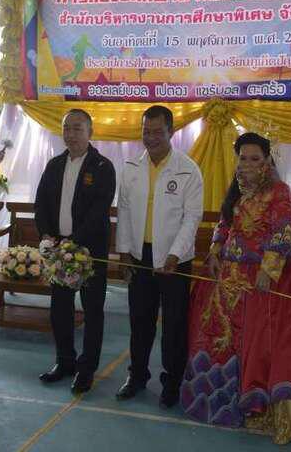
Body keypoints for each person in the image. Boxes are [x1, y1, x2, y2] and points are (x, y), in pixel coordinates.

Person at [181, 133, 291, 444]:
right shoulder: (237, 188)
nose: (248, 164)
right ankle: (219, 399)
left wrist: (268, 270)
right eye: (243, 158)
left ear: (267, 160)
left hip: (263, 276)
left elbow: (282, 230)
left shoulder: (279, 191)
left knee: (268, 338)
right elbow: (224, 224)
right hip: (228, 276)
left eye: (255, 159)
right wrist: (215, 252)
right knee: (218, 337)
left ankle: (260, 404)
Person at [115, 105, 203, 408]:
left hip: (175, 261)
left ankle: (172, 382)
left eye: (157, 132)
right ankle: (137, 376)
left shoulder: (188, 169)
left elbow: (192, 218)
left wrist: (175, 254)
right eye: (146, 131)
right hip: (140, 256)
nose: (150, 137)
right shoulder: (131, 168)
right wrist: (124, 252)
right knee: (140, 322)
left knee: (175, 325)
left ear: (171, 132)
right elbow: (124, 212)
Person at [34, 109, 116, 394]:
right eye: (66, 128)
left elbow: (99, 210)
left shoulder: (103, 166)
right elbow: (41, 203)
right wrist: (46, 234)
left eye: (77, 128)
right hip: (59, 250)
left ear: (90, 132)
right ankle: (64, 361)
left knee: (92, 311)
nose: (71, 134)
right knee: (60, 309)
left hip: (89, 251)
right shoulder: (54, 165)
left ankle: (86, 369)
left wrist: (73, 242)